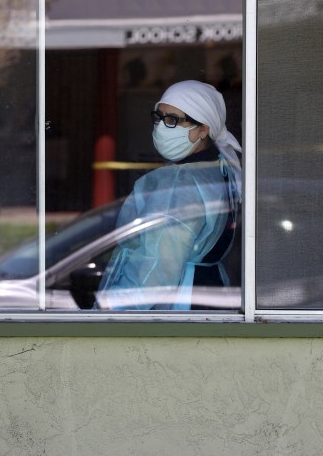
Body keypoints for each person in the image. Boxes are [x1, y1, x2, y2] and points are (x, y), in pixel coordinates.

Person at [97, 80, 242, 310]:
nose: (162, 127)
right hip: (211, 298)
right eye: (159, 117)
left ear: (203, 129)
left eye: (173, 120)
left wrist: (110, 311)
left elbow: (156, 272)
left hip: (178, 307)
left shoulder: (179, 183)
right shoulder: (220, 169)